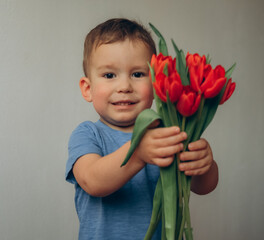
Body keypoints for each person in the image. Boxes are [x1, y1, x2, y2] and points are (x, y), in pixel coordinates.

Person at [65, 18, 218, 240]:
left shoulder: (168, 132)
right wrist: (138, 153)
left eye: (137, 74)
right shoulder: (88, 134)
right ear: (87, 89)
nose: (125, 87)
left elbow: (203, 187)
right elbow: (92, 181)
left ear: (157, 83)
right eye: (109, 75)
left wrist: (204, 165)